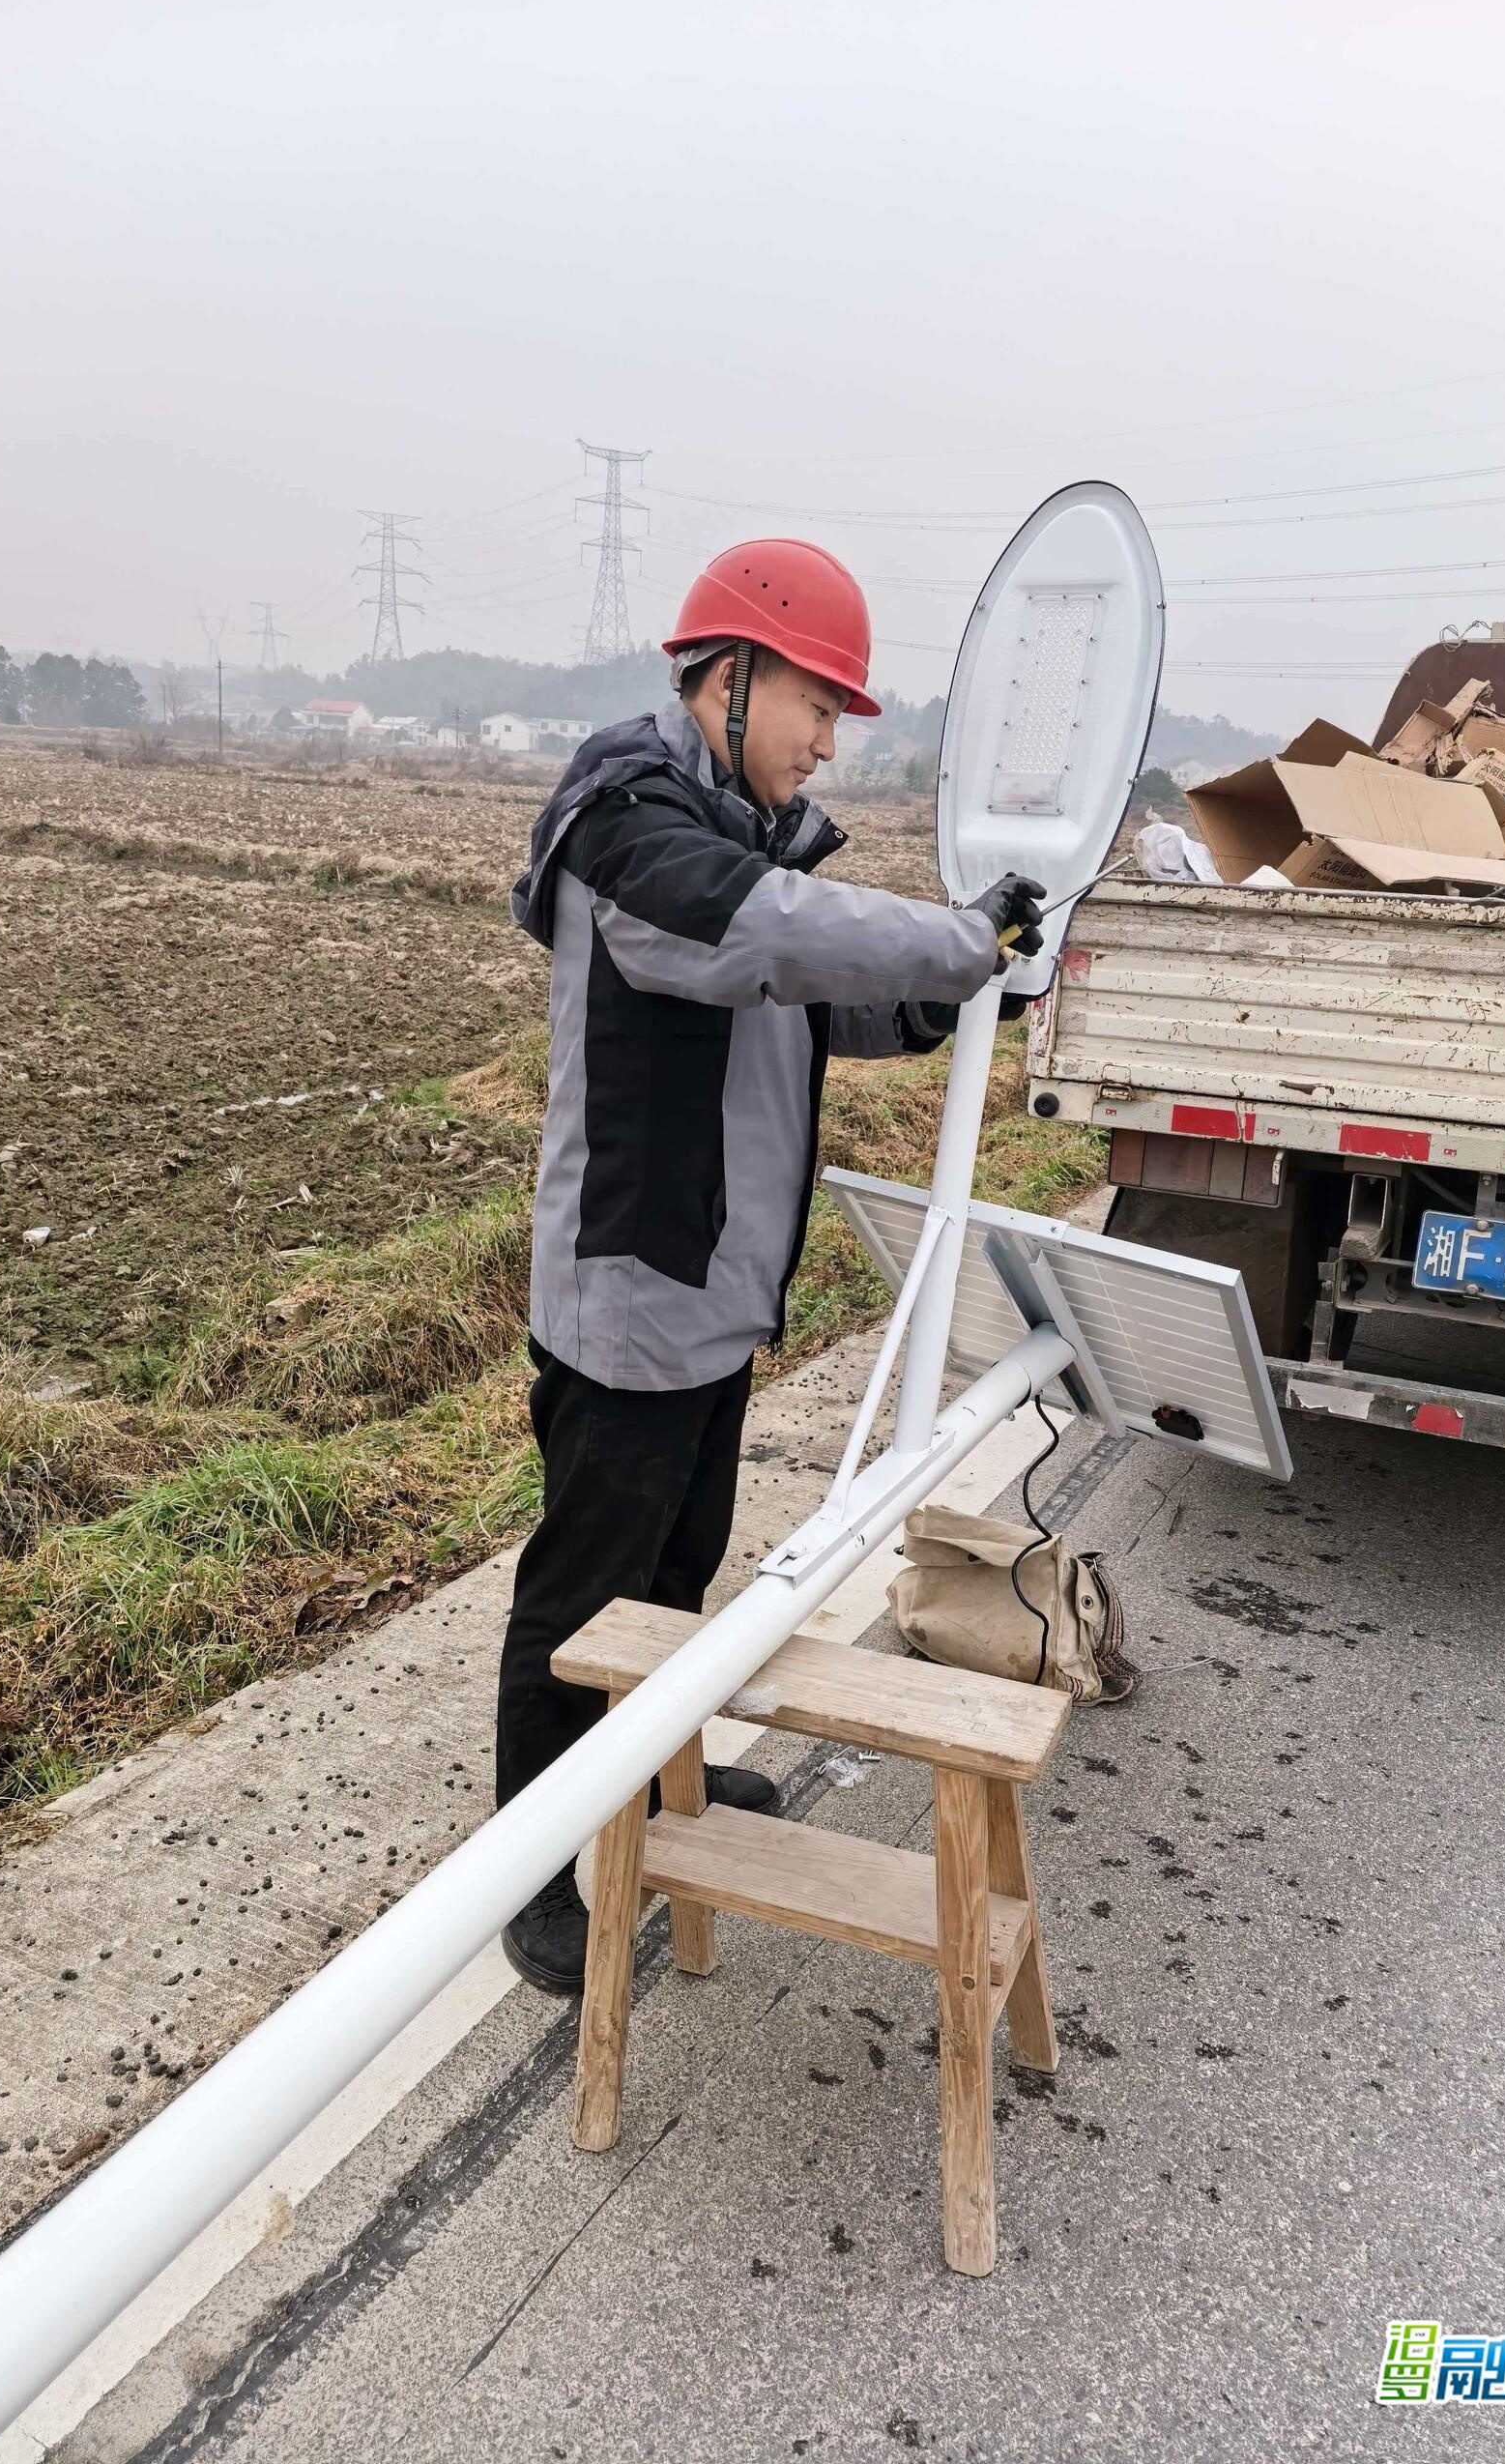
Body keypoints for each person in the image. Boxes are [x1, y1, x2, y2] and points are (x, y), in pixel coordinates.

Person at [497, 537, 1045, 1990]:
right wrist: (955, 935)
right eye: (817, 701)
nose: (829, 737)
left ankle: (659, 1787)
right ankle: (534, 1871)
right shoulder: (634, 823)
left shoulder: (743, 835)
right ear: (726, 676)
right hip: (627, 1295)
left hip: (718, 1299)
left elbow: (808, 1004)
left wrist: (947, 995)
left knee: (681, 1579)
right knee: (581, 1602)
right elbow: (762, 938)